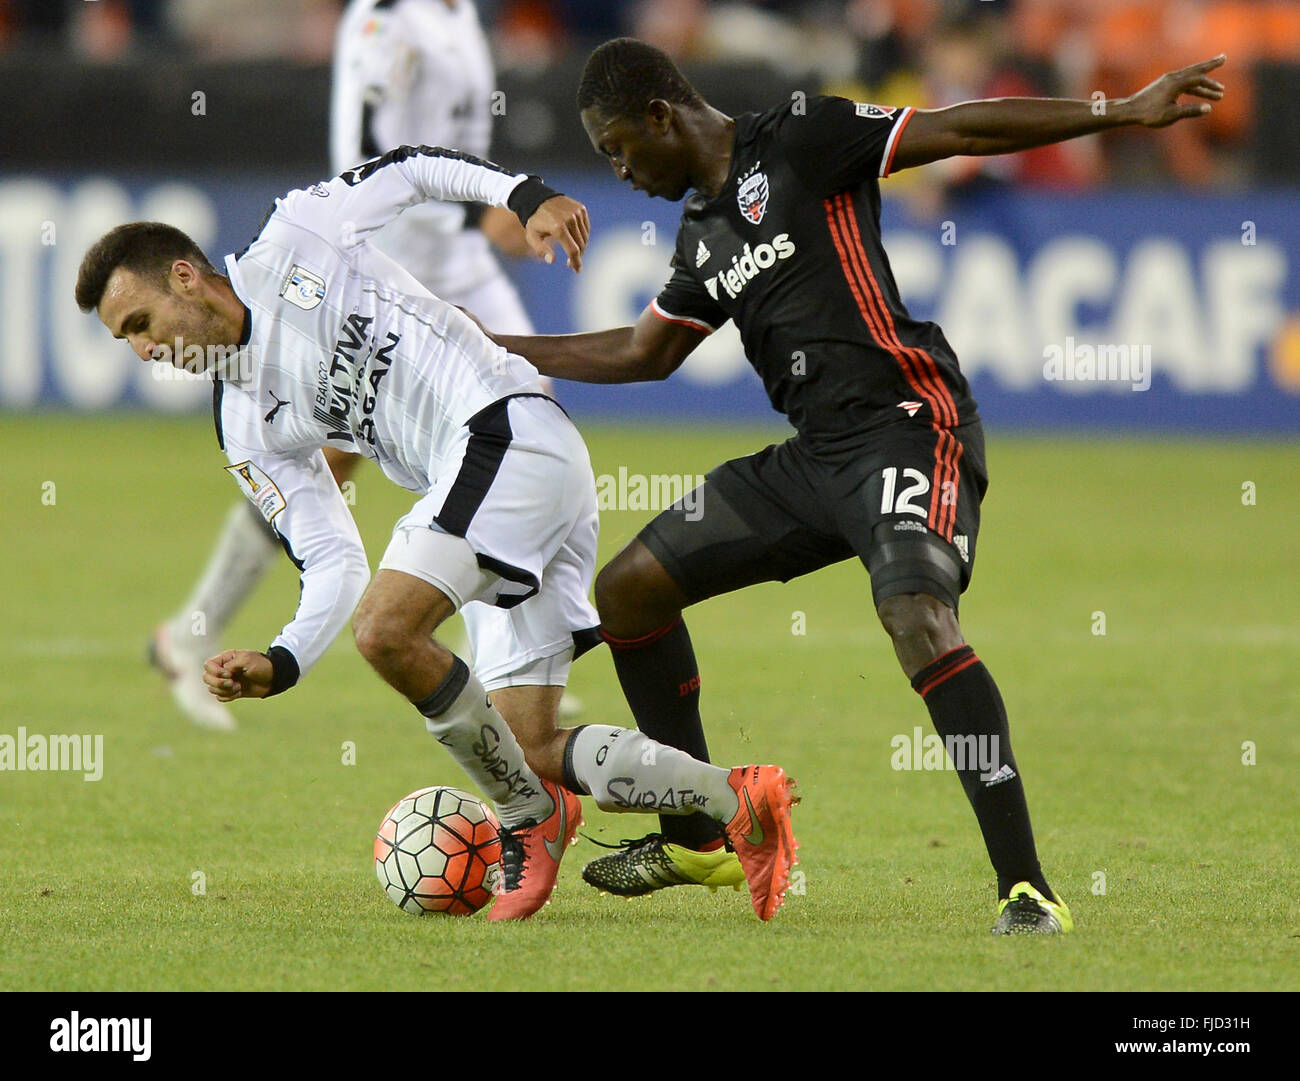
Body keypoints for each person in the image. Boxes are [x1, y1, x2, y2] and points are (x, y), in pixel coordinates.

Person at [489, 38, 1226, 933]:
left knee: (916, 616)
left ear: (660, 115)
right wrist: (496, 352)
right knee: (630, 587)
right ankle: (694, 835)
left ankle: (1027, 888)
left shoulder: (802, 137)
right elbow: (647, 352)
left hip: (910, 429)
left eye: (617, 149)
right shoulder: (704, 232)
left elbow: (954, 130)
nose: (620, 172)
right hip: (816, 457)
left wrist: (1118, 110)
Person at [74, 146, 798, 921]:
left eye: (141, 323)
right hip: (493, 487)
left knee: (387, 630)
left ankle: (529, 819)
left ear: (185, 275)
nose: (147, 351)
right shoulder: (245, 425)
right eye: (129, 342)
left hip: (503, 429)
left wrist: (524, 194)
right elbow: (329, 557)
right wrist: (283, 659)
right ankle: (739, 801)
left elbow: (414, 166)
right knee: (527, 743)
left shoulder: (298, 233)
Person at [149, 0, 570, 731]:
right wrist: (480, 211)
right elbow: (375, 145)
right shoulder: (386, 20)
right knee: (340, 459)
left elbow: (452, 134)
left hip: (455, 250)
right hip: (396, 253)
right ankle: (191, 632)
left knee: (521, 408)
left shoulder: (459, 12)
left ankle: (509, 656)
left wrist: (485, 206)